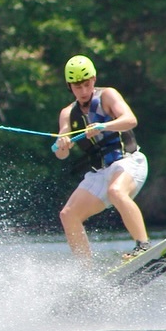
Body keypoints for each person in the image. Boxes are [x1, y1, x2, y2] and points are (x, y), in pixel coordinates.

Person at [52, 55, 151, 262]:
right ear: (70, 86)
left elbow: (131, 120)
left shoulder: (108, 96)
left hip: (128, 162)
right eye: (77, 87)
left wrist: (104, 126)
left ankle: (143, 245)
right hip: (100, 173)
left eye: (87, 85)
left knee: (116, 191)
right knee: (68, 214)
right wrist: (62, 144)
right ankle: (87, 275)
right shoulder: (68, 114)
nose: (83, 91)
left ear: (94, 79)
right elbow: (62, 153)